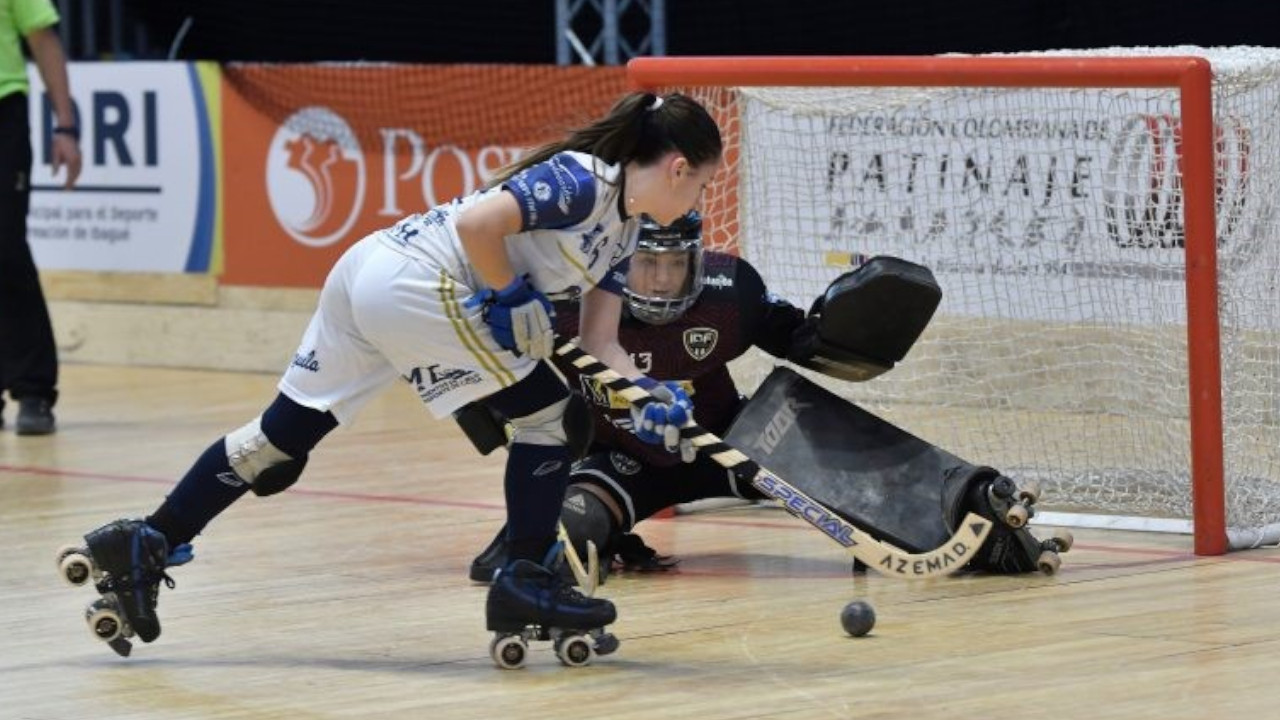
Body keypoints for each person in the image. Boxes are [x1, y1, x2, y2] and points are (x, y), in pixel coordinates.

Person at [57, 92, 723, 663]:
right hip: (415, 282)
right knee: (551, 418)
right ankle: (525, 576)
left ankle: (149, 539)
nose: (698, 198)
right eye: (699, 185)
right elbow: (478, 223)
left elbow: (601, 341)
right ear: (677, 166)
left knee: (283, 437)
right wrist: (508, 292)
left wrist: (646, 394)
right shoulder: (587, 181)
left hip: (374, 273)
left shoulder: (625, 232)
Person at [466, 212, 1066, 584]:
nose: (658, 280)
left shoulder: (731, 292)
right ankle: (536, 553)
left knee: (819, 444)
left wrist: (849, 330)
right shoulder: (569, 301)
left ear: (695, 260)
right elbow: (496, 379)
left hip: (729, 442)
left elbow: (802, 341)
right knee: (571, 536)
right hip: (619, 464)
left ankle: (972, 511)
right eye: (644, 263)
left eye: (673, 265)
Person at [1, 0, 81, 435]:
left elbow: (43, 39)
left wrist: (65, 126)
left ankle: (33, 389)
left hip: (3, 113)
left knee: (6, 251)